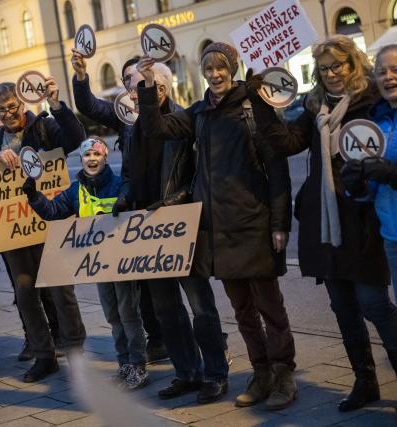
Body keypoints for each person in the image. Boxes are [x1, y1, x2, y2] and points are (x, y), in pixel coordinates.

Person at [136, 42, 296, 410]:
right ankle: (261, 374)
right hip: (217, 231)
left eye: (221, 67)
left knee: (270, 307)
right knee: (241, 310)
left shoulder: (256, 106)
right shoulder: (199, 113)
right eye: (208, 69)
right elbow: (156, 127)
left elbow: (277, 171)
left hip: (254, 226)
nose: (214, 74)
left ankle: (284, 374)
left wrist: (279, 222)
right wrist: (147, 86)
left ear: (233, 67)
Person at [249, 35, 396, 412]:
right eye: (325, 68)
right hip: (325, 222)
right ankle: (365, 382)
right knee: (342, 306)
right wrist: (264, 102)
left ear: (353, 64)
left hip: (361, 218)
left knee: (374, 304)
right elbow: (284, 143)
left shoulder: (371, 102)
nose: (332, 73)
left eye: (338, 65)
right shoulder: (314, 107)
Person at [113, 59, 230, 404]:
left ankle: (214, 373)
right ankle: (186, 372)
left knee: (200, 306)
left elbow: (200, 174)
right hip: (147, 232)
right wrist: (123, 197)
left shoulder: (184, 119)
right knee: (166, 310)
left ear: (159, 89)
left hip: (180, 226)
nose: (130, 95)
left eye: (136, 87)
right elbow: (131, 176)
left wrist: (176, 199)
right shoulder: (134, 130)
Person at [23, 137, 149, 390]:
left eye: (96, 154)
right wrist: (33, 195)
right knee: (113, 316)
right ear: (81, 159)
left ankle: (138, 366)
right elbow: (54, 212)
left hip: (122, 262)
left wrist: (123, 203)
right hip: (98, 263)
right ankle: (124, 364)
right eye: (87, 155)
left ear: (104, 158)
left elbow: (132, 207)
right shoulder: (75, 190)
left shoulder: (117, 184)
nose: (91, 159)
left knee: (129, 315)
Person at [0, 78, 87, 382]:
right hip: (15, 231)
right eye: (2, 110)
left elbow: (75, 138)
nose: (8, 113)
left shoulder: (44, 126)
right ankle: (44, 356)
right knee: (25, 293)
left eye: (12, 106)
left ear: (22, 103)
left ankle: (75, 351)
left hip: (50, 222)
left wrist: (57, 105)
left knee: (61, 291)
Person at [71, 50, 168, 363]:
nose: (130, 83)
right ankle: (156, 340)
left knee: (170, 285)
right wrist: (82, 77)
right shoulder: (124, 114)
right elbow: (88, 105)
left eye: (135, 76)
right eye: (126, 78)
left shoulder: (171, 110)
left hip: (168, 207)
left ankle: (184, 340)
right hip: (133, 206)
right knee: (142, 284)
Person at [339, 41, 397, 378]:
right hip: (392, 235)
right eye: (382, 72)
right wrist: (357, 183)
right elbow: (368, 190)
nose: (389, 76)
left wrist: (391, 174)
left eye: (395, 69)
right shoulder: (379, 121)